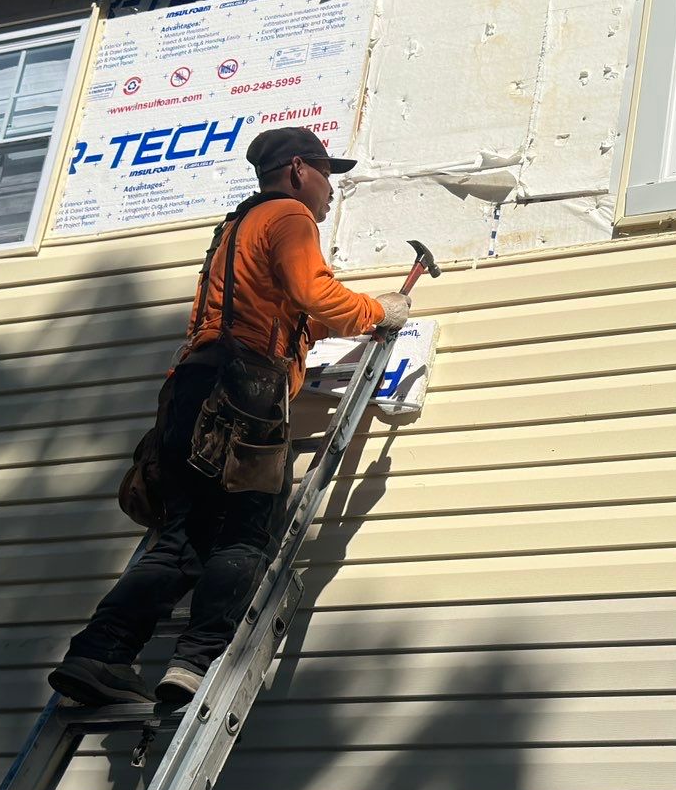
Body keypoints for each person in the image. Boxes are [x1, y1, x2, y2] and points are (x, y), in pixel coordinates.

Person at [48, 127, 410, 711]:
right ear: (297, 171)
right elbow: (316, 293)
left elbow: (287, 314)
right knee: (244, 532)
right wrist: (377, 312)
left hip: (193, 387)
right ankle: (194, 664)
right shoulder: (291, 217)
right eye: (325, 175)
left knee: (180, 539)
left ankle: (100, 653)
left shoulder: (236, 227)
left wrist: (334, 324)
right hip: (246, 390)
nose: (330, 191)